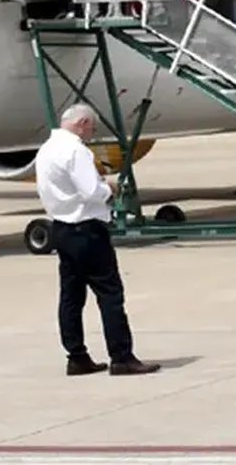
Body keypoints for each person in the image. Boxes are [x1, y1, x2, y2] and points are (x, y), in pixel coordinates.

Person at [33, 104, 160, 375]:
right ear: (81, 123)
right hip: (87, 230)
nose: (92, 133)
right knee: (110, 294)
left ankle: (76, 356)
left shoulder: (46, 149)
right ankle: (121, 356)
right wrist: (109, 187)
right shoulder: (76, 150)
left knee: (71, 297)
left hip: (62, 229)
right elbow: (92, 191)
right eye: (92, 127)